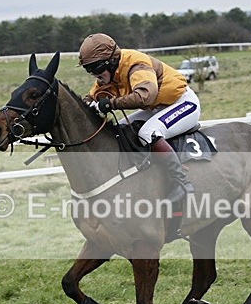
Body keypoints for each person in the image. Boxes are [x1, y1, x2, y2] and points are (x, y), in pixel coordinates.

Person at [78, 33, 199, 217]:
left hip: (182, 103)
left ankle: (182, 184)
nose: (95, 76)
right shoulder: (110, 73)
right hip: (157, 108)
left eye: (96, 69)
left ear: (110, 62)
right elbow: (90, 98)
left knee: (148, 133)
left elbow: (145, 96)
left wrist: (111, 104)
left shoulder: (136, 63)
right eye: (89, 70)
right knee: (117, 130)